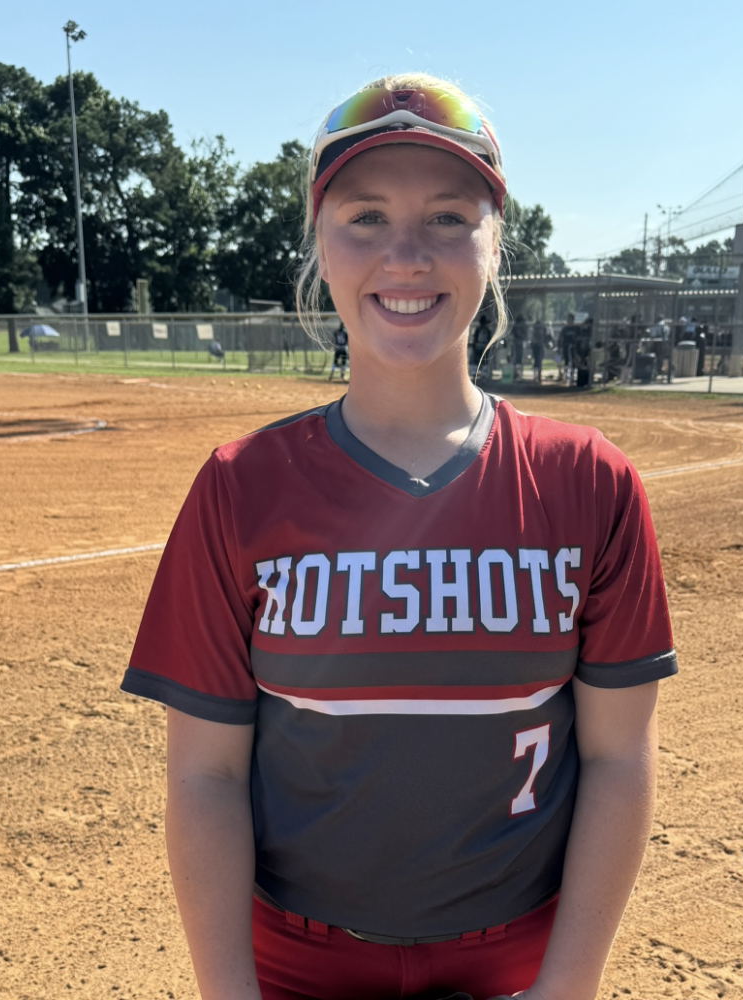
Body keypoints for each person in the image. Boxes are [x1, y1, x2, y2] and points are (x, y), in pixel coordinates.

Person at [120, 73, 677, 1000]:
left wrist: (565, 988)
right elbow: (206, 775)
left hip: (518, 958)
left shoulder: (589, 482)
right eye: (366, 216)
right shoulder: (239, 486)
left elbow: (619, 758)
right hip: (294, 963)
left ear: (496, 241)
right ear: (321, 243)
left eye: (449, 217)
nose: (407, 255)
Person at [510, 313, 528, 378]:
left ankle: (519, 373)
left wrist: (519, 332)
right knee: (514, 358)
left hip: (520, 344)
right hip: (514, 344)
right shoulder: (515, 327)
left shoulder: (523, 327)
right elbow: (511, 335)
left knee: (519, 358)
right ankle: (515, 373)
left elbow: (525, 336)